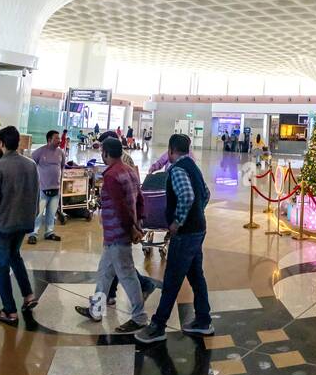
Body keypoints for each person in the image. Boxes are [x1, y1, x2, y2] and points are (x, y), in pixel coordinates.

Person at [135, 133, 213, 345]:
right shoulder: (193, 166)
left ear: (170, 150)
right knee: (196, 276)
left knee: (171, 279)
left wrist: (177, 222)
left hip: (186, 234)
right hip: (198, 230)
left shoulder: (177, 169)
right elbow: (206, 194)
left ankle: (158, 326)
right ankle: (203, 320)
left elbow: (187, 196)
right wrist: (197, 213)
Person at [75, 137, 152, 333]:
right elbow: (140, 200)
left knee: (127, 275)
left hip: (118, 233)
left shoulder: (111, 176)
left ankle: (140, 317)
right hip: (117, 235)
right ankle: (96, 310)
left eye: (102, 151)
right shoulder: (129, 171)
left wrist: (131, 228)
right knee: (104, 273)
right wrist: (138, 224)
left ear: (106, 153)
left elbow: (120, 207)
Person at [0, 125, 40, 322]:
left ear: (1, 143)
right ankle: (28, 295)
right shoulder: (31, 165)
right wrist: (32, 216)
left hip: (1, 225)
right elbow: (36, 194)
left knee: (1, 267)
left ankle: (10, 311)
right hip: (23, 223)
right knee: (15, 256)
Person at [28, 129, 65, 244]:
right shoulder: (40, 152)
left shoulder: (61, 153)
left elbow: (62, 167)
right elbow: (31, 165)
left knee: (51, 213)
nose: (59, 140)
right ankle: (33, 234)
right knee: (38, 213)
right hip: (42, 189)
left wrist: (60, 182)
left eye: (59, 138)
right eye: (57, 138)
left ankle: (49, 232)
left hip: (56, 189)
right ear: (49, 140)